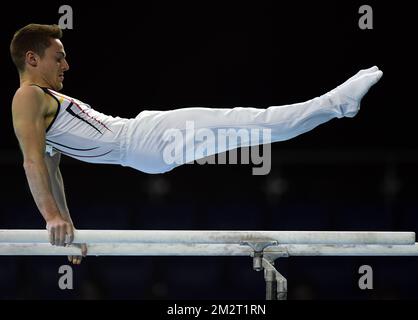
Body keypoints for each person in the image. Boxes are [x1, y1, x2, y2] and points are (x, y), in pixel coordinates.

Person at [9, 23, 383, 264]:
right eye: (58, 57)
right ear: (31, 58)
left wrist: (68, 226)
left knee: (249, 126)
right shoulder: (28, 97)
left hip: (143, 143)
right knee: (248, 121)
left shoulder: (41, 101)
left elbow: (52, 167)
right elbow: (33, 162)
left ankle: (334, 106)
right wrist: (53, 218)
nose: (67, 65)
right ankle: (336, 104)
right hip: (143, 139)